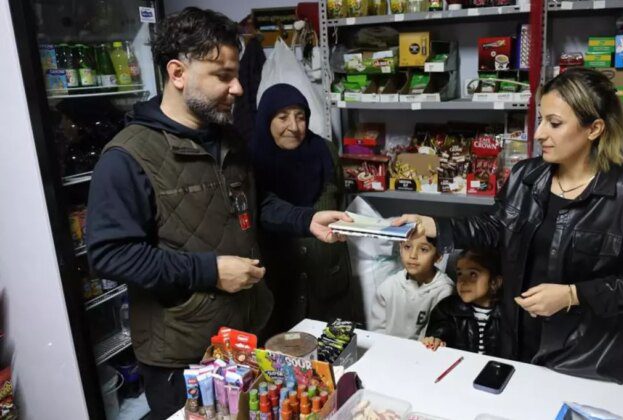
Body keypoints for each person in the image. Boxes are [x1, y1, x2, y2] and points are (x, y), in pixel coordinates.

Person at [85, 8, 349, 419]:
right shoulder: (127, 157)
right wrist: (210, 271)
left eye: (236, 73)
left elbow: (253, 205)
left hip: (246, 336)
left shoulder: (228, 139)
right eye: (223, 76)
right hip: (184, 358)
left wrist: (306, 220)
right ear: (178, 73)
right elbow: (111, 254)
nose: (239, 88)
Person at [394, 67, 623, 383]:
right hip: (515, 342)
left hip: (583, 357)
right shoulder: (527, 176)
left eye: (554, 123)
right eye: (541, 120)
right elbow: (495, 227)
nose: (539, 133)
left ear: (594, 128)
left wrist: (572, 294)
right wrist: (433, 224)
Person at [251, 83, 364, 335]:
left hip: (328, 283)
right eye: (282, 117)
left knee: (334, 356)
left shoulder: (325, 152)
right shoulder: (251, 160)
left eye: (300, 117)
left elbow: (339, 201)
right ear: (266, 119)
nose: (294, 126)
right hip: (277, 286)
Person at [368, 234, 454, 340]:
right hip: (388, 350)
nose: (413, 255)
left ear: (438, 255)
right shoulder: (388, 287)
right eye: (407, 247)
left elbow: (439, 336)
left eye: (423, 249)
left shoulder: (444, 291)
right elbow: (376, 333)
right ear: (400, 248)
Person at [422, 249, 504, 356]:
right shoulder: (447, 308)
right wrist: (436, 340)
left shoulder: (508, 313)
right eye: (459, 274)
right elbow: (441, 330)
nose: (463, 281)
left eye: (473, 274)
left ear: (494, 282)